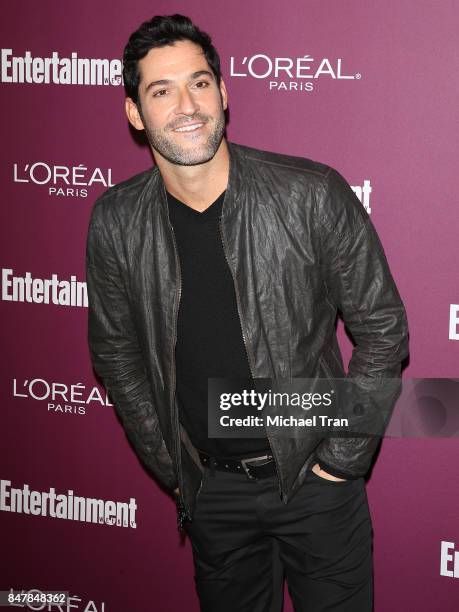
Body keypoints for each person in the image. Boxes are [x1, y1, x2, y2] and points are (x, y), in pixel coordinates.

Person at [85, 14, 409, 612]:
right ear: (135, 113)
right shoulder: (115, 221)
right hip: (212, 494)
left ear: (224, 93)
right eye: (161, 91)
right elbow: (116, 352)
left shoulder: (310, 193)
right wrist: (175, 469)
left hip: (319, 483)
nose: (187, 104)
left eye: (200, 83)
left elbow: (384, 329)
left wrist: (340, 463)